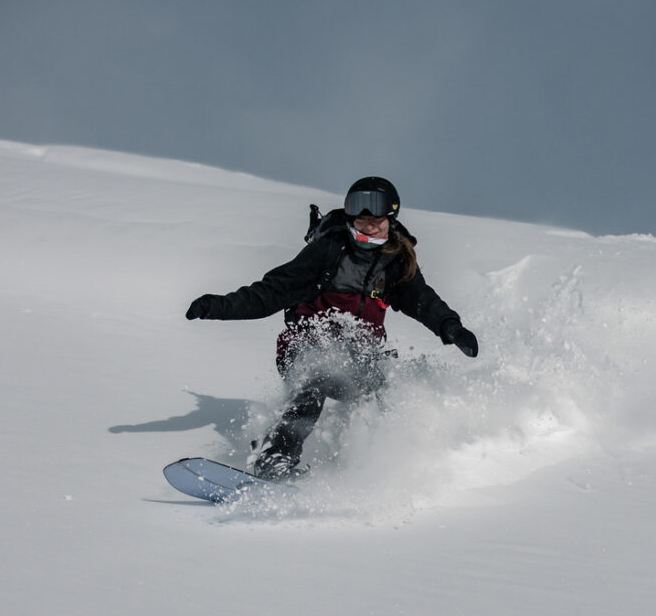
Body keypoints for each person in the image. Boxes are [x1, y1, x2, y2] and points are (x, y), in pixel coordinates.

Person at [185, 176, 478, 480]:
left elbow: (423, 301)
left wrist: (451, 327)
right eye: (361, 216)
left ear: (391, 217)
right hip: (307, 342)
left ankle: (372, 468)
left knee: (389, 393)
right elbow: (272, 291)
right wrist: (218, 306)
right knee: (318, 377)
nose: (370, 224)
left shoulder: (395, 262)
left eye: (377, 217)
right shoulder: (329, 249)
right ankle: (275, 456)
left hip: (359, 355)